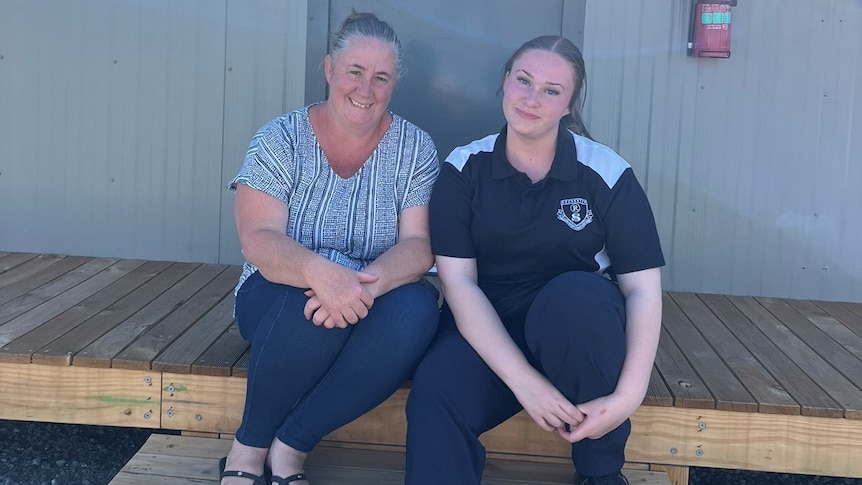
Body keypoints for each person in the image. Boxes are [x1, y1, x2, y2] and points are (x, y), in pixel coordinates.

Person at [405, 35, 665, 485]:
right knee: (434, 392)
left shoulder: (606, 173)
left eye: (550, 90)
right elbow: (459, 284)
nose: (531, 99)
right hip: (487, 329)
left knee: (577, 295)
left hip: (576, 335)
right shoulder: (463, 169)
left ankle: (601, 474)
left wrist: (628, 395)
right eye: (523, 81)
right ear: (505, 82)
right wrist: (525, 382)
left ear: (569, 104)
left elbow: (642, 287)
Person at [220, 11, 440, 485]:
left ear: (395, 83)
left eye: (380, 77)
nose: (366, 89)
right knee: (309, 311)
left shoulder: (416, 148)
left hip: (370, 295)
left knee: (418, 308)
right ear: (329, 70)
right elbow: (257, 239)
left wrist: (360, 287)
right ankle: (249, 447)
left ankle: (293, 444)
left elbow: (420, 245)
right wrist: (323, 276)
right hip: (278, 295)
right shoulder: (280, 138)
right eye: (355, 72)